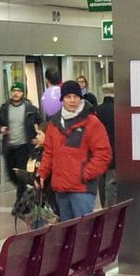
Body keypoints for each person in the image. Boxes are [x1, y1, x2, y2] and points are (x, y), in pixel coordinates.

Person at [39, 79, 112, 221]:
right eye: (68, 97)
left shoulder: (92, 122)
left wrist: (84, 174)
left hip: (82, 190)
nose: (72, 100)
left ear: (80, 98)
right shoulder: (54, 124)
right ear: (62, 99)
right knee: (67, 234)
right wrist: (42, 173)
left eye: (75, 97)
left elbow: (103, 154)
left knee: (83, 233)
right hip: (61, 188)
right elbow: (49, 152)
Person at [0, 81, 43, 194]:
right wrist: (1, 128)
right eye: (14, 91)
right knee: (11, 174)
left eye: (19, 91)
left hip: (24, 146)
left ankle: (20, 201)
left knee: (21, 174)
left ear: (23, 93)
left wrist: (39, 137)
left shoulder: (30, 108)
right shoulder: (5, 108)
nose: (16, 93)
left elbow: (41, 123)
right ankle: (26, 190)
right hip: (9, 146)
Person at [95, 82, 117, 207]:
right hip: (114, 152)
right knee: (111, 183)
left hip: (98, 154)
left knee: (102, 182)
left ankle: (103, 207)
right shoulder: (118, 110)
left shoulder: (96, 110)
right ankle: (110, 209)